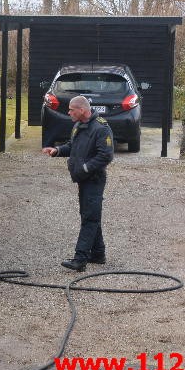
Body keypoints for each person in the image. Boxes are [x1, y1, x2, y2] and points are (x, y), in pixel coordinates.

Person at [41, 96, 114, 272]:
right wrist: (57, 150)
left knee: (89, 217)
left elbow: (105, 156)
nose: (68, 112)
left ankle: (80, 259)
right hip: (82, 178)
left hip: (94, 179)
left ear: (82, 110)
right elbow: (72, 145)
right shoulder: (78, 126)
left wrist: (86, 168)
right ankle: (98, 253)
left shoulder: (101, 128)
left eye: (71, 109)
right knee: (89, 214)